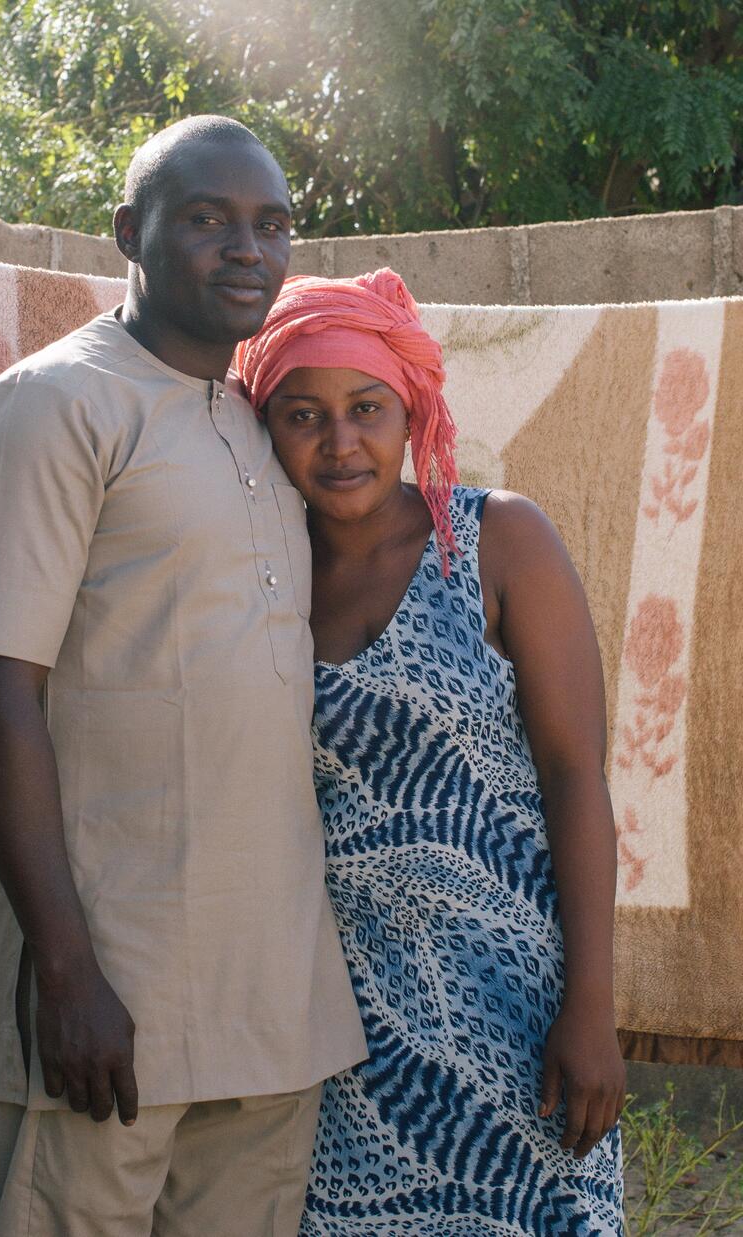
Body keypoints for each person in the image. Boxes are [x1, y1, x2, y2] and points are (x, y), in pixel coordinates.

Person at [0, 116, 367, 1237]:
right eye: (208, 220)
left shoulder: (261, 420)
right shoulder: (56, 405)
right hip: (113, 997)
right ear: (130, 232)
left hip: (271, 1000)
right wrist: (66, 972)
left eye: (272, 225)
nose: (248, 250)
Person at [236, 268, 626, 1235]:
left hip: (518, 1010)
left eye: (366, 408)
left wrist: (591, 1006)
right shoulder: (259, 573)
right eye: (303, 415)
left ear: (411, 408)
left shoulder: (497, 539)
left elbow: (577, 777)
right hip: (340, 1027)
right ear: (265, 424)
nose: (340, 442)